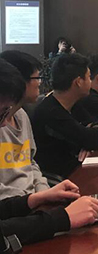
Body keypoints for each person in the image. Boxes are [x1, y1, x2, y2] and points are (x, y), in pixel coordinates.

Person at [0, 58, 98, 246]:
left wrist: (38, 197)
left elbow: (31, 162)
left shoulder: (23, 115)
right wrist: (61, 218)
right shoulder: (48, 109)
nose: (4, 123)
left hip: (27, 211)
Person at [32, 54, 98, 179]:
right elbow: (92, 139)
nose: (91, 82)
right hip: (57, 178)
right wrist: (88, 141)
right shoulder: (51, 112)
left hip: (74, 170)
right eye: (88, 77)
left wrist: (87, 141)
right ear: (78, 82)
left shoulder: (73, 104)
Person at [0, 51, 49, 199]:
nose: (39, 83)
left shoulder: (22, 115)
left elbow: (30, 161)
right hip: (13, 205)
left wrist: (44, 192)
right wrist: (31, 200)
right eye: (37, 78)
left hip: (31, 200)